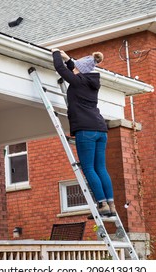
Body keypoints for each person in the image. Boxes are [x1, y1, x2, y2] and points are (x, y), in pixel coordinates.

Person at [51, 48, 116, 217]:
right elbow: (75, 68)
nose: (73, 70)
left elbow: (61, 68)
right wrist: (68, 58)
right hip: (100, 129)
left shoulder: (78, 81)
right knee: (100, 168)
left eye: (75, 68)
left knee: (88, 168)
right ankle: (110, 205)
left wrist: (56, 53)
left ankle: (101, 205)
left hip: (85, 130)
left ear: (79, 70)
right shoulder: (91, 82)